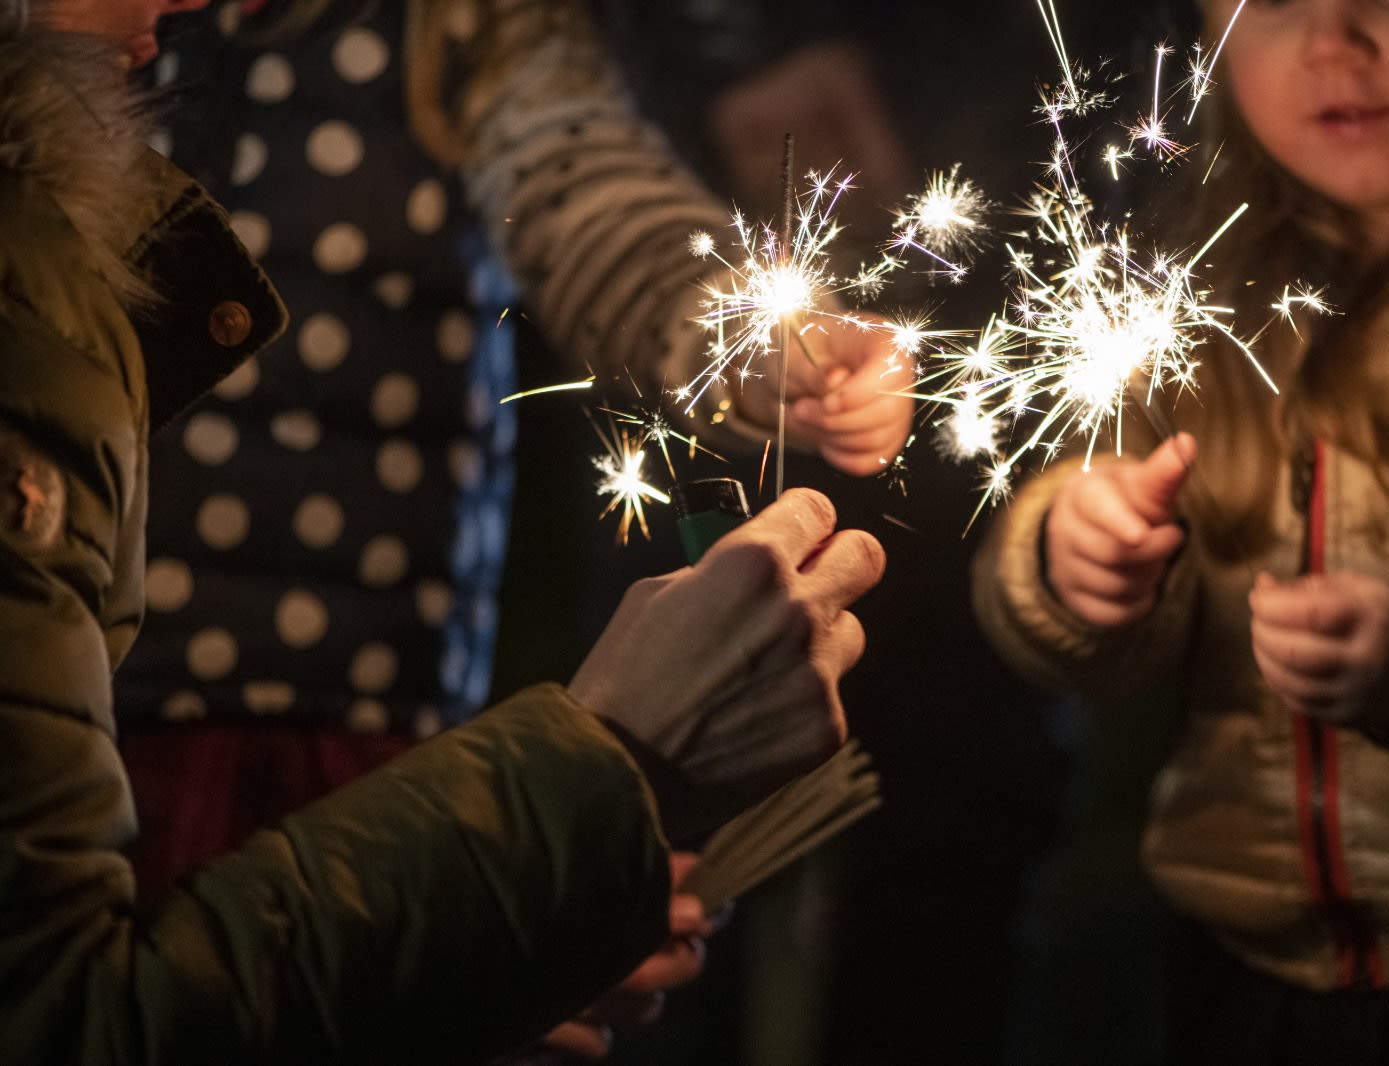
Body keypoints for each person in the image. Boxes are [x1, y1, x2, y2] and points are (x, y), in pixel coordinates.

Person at [0, 4, 886, 1063]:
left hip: (381, 752)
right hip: (90, 729)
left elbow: (582, 185)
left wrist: (732, 334)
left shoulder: (461, 23)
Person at [973, 0, 1389, 1062]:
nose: (1330, 40)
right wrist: (1067, 564)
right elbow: (1070, 594)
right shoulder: (1196, 290)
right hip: (1238, 976)